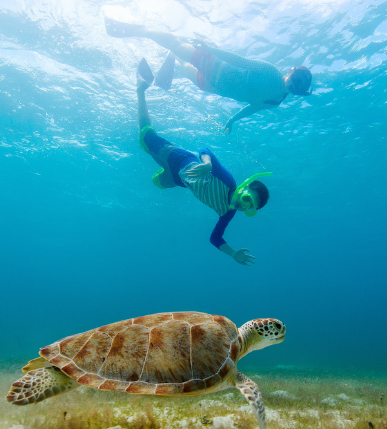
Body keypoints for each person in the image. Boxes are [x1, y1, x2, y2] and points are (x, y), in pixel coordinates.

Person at [135, 59, 271, 266]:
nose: (243, 207)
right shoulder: (228, 181)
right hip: (180, 160)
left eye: (249, 208)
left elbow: (215, 238)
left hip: (179, 180)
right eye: (246, 199)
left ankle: (157, 160)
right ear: (243, 188)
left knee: (156, 182)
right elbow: (204, 150)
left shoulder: (228, 212)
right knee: (144, 137)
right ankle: (142, 88)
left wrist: (233, 253)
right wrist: (207, 164)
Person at [107, 17, 312, 134]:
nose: (295, 84)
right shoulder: (270, 73)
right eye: (297, 78)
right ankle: (141, 30)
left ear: (300, 91)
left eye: (299, 85)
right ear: (290, 71)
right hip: (216, 66)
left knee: (184, 67)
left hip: (214, 87)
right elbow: (238, 60)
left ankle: (171, 60)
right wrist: (209, 49)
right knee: (177, 45)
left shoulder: (276, 101)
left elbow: (251, 109)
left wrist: (232, 120)